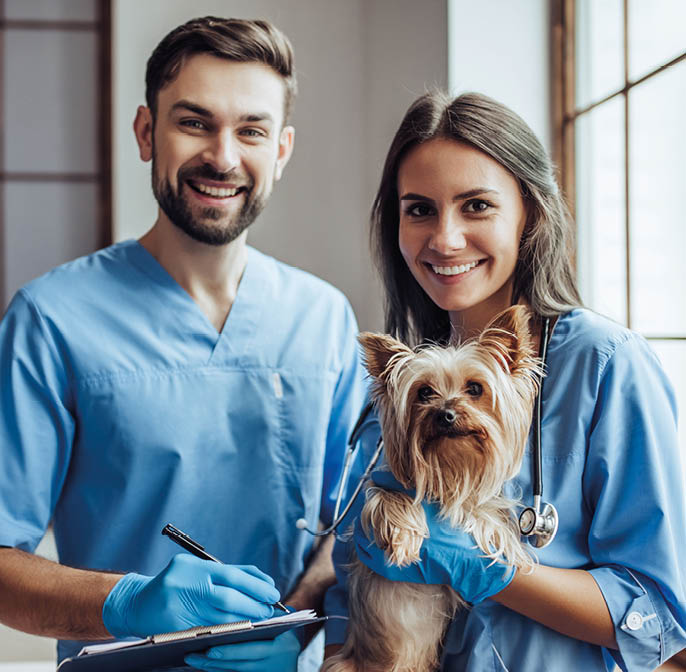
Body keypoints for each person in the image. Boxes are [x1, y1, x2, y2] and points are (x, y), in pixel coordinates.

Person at [0, 16, 367, 672]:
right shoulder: (49, 320)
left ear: (280, 151)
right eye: (194, 122)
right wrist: (127, 602)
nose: (223, 157)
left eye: (250, 130)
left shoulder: (324, 319)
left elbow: (356, 525)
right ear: (147, 133)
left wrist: (299, 627)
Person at [323, 91, 686, 671]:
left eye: (477, 206)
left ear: (531, 214)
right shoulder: (399, 391)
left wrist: (485, 565)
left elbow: (661, 624)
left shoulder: (606, 365)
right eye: (419, 209)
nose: (444, 238)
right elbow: (350, 605)